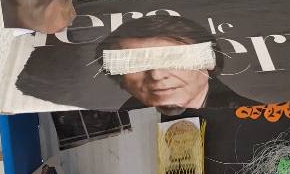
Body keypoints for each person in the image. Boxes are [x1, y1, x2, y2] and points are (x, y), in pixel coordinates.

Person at [96, 15, 258, 114]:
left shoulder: (259, 117)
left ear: (209, 60)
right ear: (119, 79)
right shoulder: (123, 116)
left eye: (173, 59)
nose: (156, 75)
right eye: (136, 63)